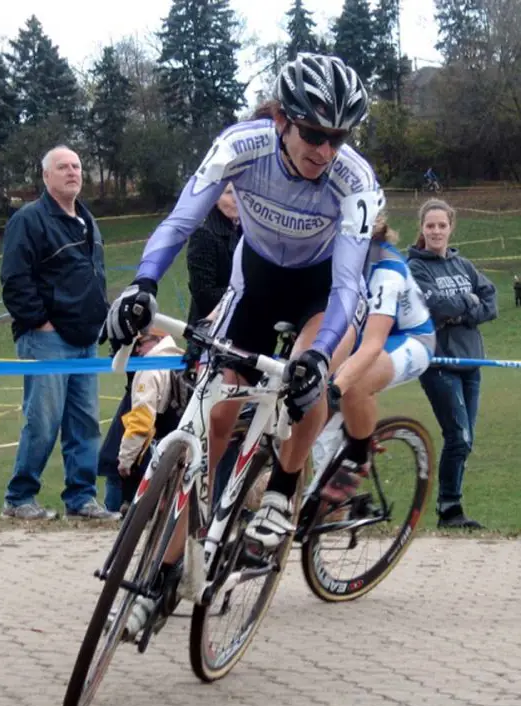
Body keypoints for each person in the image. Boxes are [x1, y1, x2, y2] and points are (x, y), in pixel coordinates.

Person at [102, 53, 381, 565]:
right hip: (255, 280)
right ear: (279, 120)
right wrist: (141, 285)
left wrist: (320, 357)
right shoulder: (240, 145)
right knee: (217, 415)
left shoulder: (355, 180)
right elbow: (182, 219)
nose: (325, 150)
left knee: (307, 371)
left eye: (338, 138)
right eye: (313, 133)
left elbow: (347, 283)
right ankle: (168, 565)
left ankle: (281, 489)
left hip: (322, 290)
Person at [0, 145, 118, 521]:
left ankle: (81, 501)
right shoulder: (29, 219)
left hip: (86, 340)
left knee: (85, 424)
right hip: (47, 338)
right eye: (63, 167)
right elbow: (15, 279)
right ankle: (19, 499)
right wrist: (40, 322)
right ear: (46, 176)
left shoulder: (88, 220)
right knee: (43, 420)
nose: (72, 172)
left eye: (77, 166)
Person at [315, 211, 436, 503]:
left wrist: (335, 386)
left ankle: (358, 456)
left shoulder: (386, 267)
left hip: (408, 338)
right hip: (358, 334)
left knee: (354, 384)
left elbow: (372, 343)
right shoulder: (327, 255)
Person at [408, 199, 497, 529]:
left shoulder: (465, 265)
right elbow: (433, 305)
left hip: (471, 360)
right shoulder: (415, 267)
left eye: (441, 225)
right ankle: (449, 509)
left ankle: (451, 506)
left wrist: (461, 310)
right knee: (458, 435)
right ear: (422, 228)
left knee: (466, 438)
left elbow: (490, 301)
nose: (435, 231)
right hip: (439, 362)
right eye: (430, 225)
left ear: (450, 227)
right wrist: (464, 305)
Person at [98, 327, 186, 514]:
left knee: (116, 473)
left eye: (141, 343)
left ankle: (114, 510)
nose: (137, 350)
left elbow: (141, 422)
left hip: (149, 457)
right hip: (177, 453)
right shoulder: (180, 360)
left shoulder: (150, 369)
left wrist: (125, 460)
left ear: (157, 339)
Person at [187, 182, 241, 325]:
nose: (236, 198)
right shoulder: (204, 234)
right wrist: (246, 291)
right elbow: (204, 295)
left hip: (240, 324)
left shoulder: (246, 231)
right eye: (229, 193)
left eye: (239, 190)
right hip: (210, 330)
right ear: (215, 198)